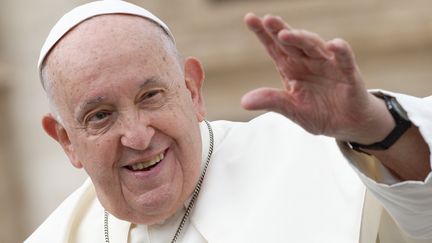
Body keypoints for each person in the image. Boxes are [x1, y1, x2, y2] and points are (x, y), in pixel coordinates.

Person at [26, 1, 432, 242]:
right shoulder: (57, 235)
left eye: (150, 96)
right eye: (100, 116)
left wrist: (376, 129)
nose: (136, 135)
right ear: (65, 140)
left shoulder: (314, 157)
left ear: (193, 89)